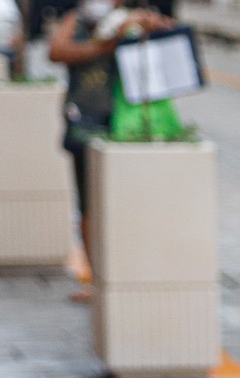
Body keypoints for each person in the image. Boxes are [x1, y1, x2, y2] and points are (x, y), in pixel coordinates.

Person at [48, 0, 171, 302]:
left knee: (124, 202)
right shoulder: (76, 20)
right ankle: (94, 277)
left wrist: (149, 27)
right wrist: (100, 46)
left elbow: (170, 47)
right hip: (83, 122)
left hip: (122, 123)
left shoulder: (134, 20)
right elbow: (56, 51)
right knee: (88, 205)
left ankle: (127, 275)